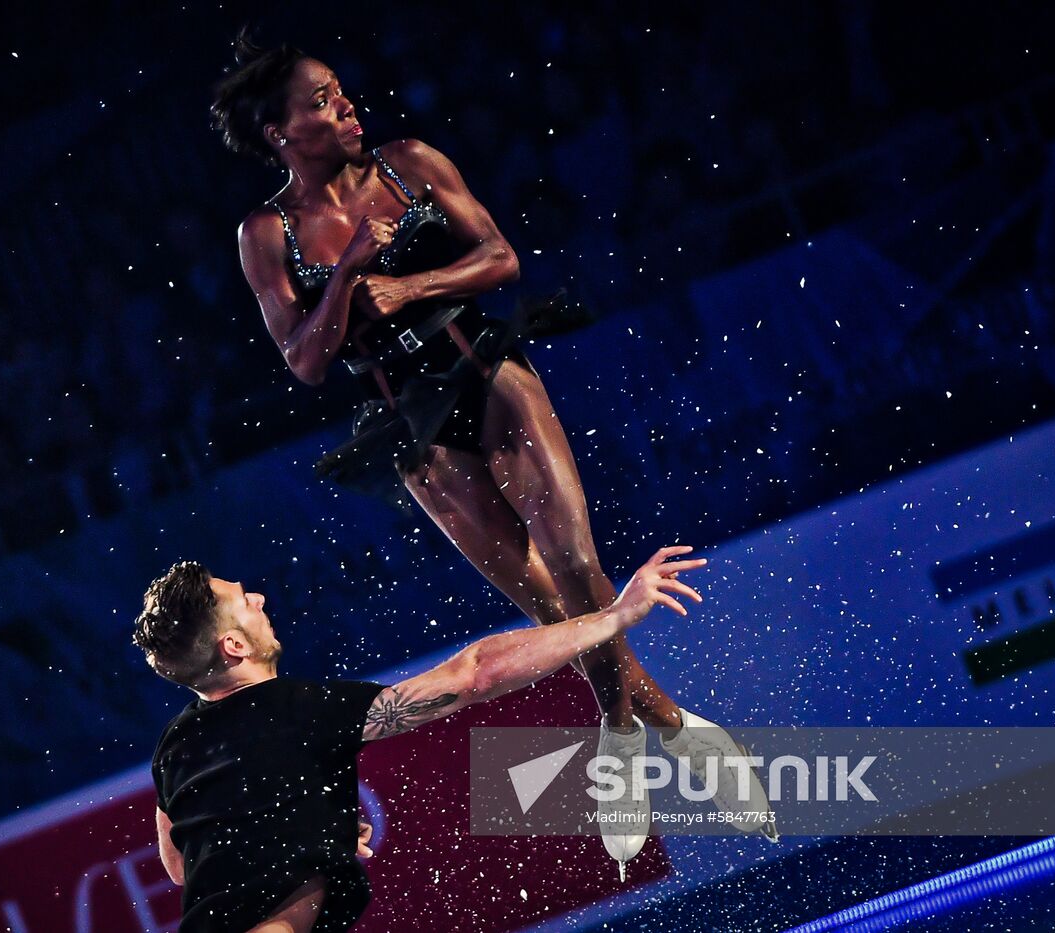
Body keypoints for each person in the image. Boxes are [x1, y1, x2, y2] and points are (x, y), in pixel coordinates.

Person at [212, 35, 776, 871]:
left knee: (578, 568)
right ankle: (670, 726)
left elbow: (501, 257)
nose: (345, 105)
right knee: (546, 605)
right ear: (279, 132)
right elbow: (304, 360)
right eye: (322, 100)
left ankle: (621, 741)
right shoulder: (267, 232)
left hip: (488, 372)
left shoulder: (408, 163)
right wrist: (345, 279)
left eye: (341, 91)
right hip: (411, 424)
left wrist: (407, 286)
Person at [134, 547, 708, 933]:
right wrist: (614, 615)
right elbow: (473, 674)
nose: (259, 600)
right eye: (244, 601)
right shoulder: (300, 710)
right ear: (233, 647)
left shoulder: (174, 747)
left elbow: (184, 867)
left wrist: (303, 829)